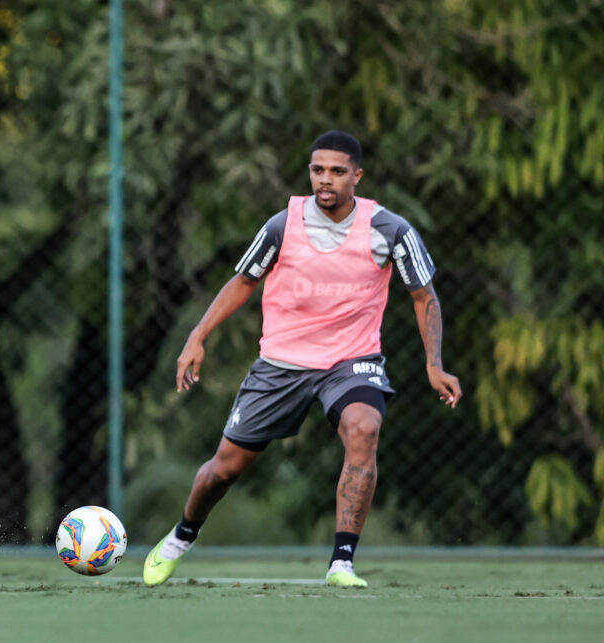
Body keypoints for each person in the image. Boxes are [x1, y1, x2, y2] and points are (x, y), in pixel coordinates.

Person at [143, 131, 462, 588]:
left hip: (352, 360)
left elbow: (423, 296)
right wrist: (197, 335)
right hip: (281, 363)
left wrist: (434, 362)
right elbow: (243, 282)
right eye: (317, 170)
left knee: (364, 428)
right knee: (224, 469)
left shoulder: (390, 230)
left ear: (357, 175)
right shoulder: (281, 225)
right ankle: (180, 537)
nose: (325, 180)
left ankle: (342, 563)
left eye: (336, 171)